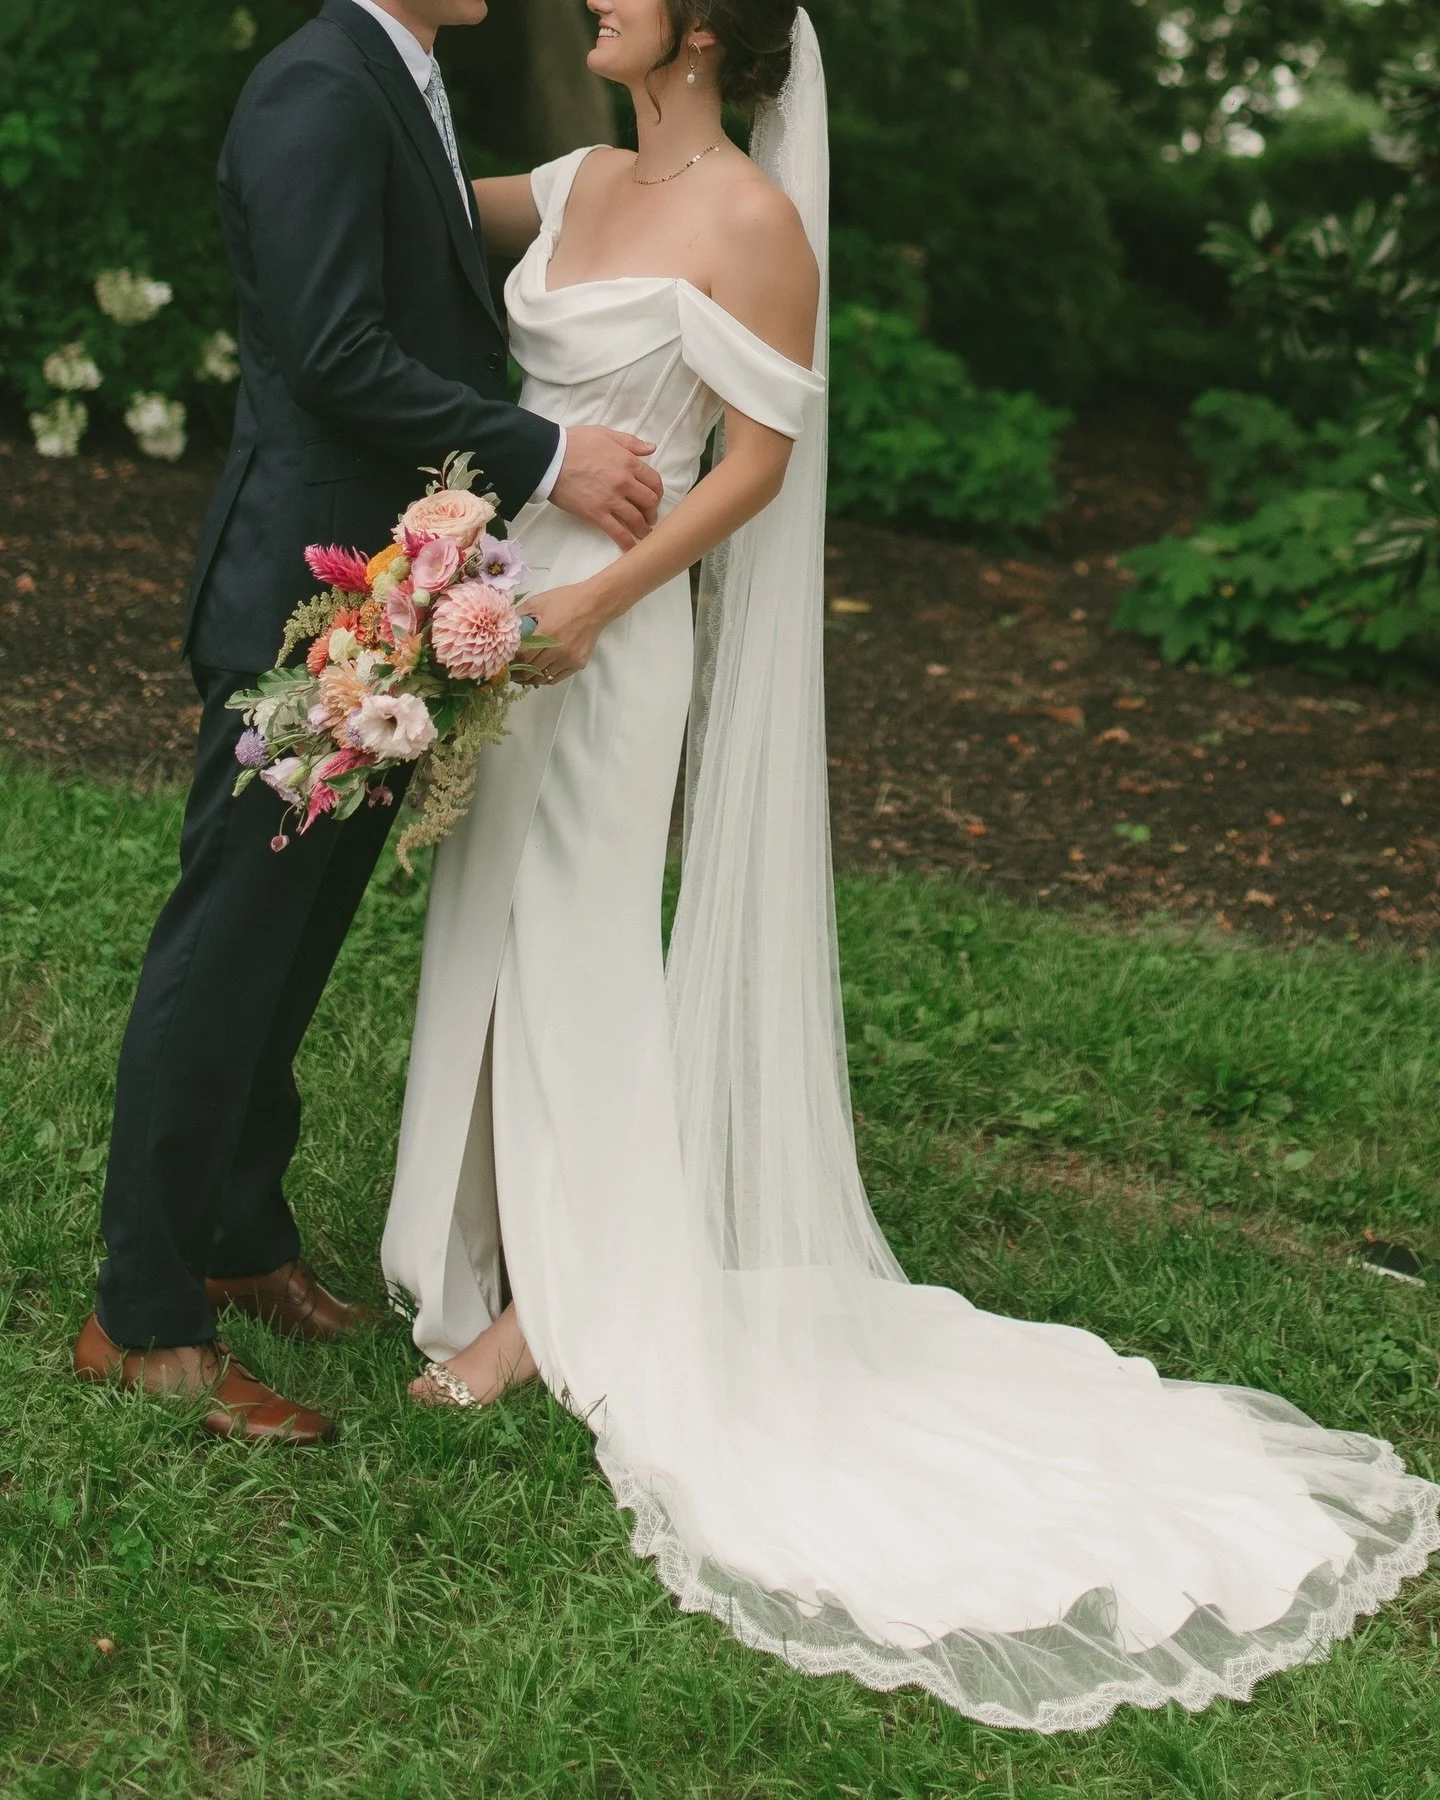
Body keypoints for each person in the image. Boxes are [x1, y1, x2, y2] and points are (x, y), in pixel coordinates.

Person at [379, 0, 1440, 1728]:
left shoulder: (753, 223)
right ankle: (481, 1235)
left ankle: (557, 1311)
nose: (592, 0)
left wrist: (595, 601)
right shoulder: (567, 177)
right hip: (498, 597)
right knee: (479, 914)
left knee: (577, 937)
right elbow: (406, 180)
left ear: (704, 26)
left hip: (611, 630)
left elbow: (760, 466)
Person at [73, 0, 665, 1445]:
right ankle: (143, 1316)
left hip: (385, 599)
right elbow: (334, 350)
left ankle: (237, 1231)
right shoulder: (319, 91)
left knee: (291, 948)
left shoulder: (401, 79)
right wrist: (549, 455)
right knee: (227, 948)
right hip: (306, 596)